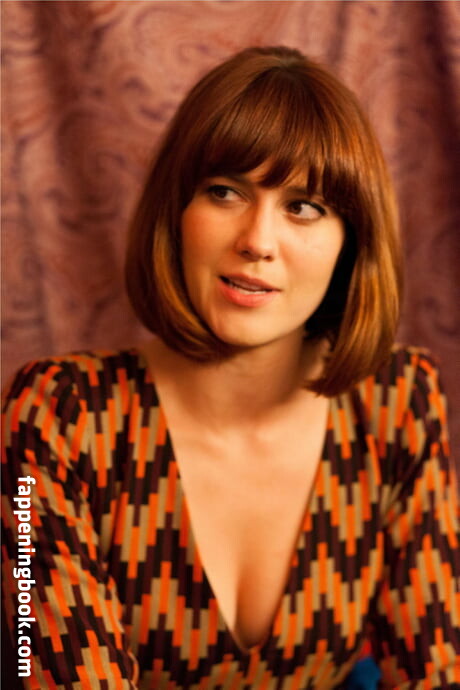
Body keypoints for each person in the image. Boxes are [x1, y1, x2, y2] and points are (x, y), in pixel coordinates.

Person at [2, 45, 459, 690]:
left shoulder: (397, 400)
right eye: (225, 192)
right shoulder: (56, 413)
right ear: (176, 210)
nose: (256, 241)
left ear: (351, 242)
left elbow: (434, 668)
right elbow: (44, 665)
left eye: (304, 206)